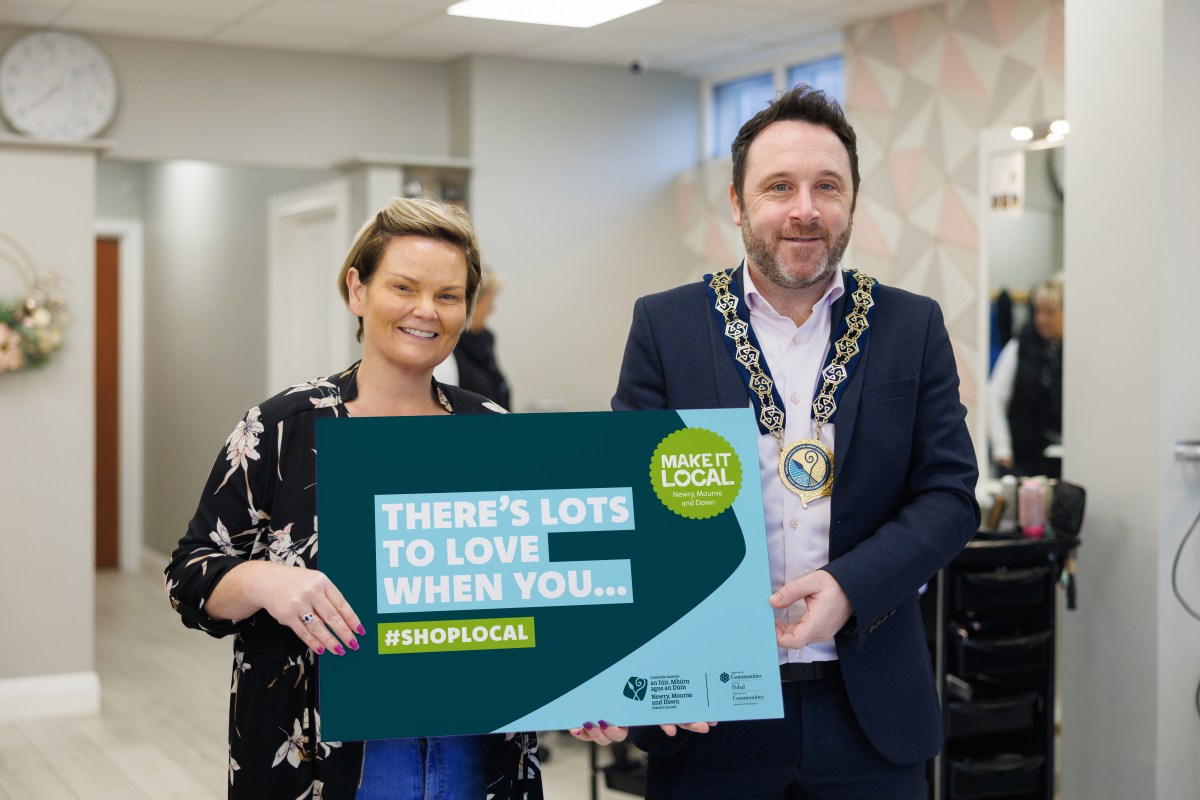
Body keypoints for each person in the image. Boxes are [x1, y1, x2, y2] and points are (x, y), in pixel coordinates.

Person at [573, 85, 979, 799]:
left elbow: (949, 497)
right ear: (737, 203)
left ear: (852, 200)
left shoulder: (911, 327)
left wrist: (850, 587)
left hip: (871, 708)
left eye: (828, 186)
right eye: (779, 186)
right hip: (707, 711)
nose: (805, 209)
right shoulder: (667, 327)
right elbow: (629, 506)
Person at [165, 197, 541, 800]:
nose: (426, 310)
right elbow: (189, 576)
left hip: (477, 751)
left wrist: (587, 687)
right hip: (326, 760)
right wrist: (266, 581)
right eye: (403, 287)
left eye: (448, 295)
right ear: (357, 290)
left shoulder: (495, 432)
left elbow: (543, 587)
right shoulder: (283, 428)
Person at [988, 275, 1064, 478]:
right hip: (1023, 461)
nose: (1042, 319)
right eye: (1038, 311)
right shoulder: (1019, 345)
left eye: (1050, 312)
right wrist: (1002, 450)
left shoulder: (1077, 353)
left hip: (1065, 462)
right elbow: (995, 397)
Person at [434, 265, 511, 410]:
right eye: (490, 300)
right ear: (475, 302)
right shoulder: (448, 349)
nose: (492, 309)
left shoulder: (484, 342)